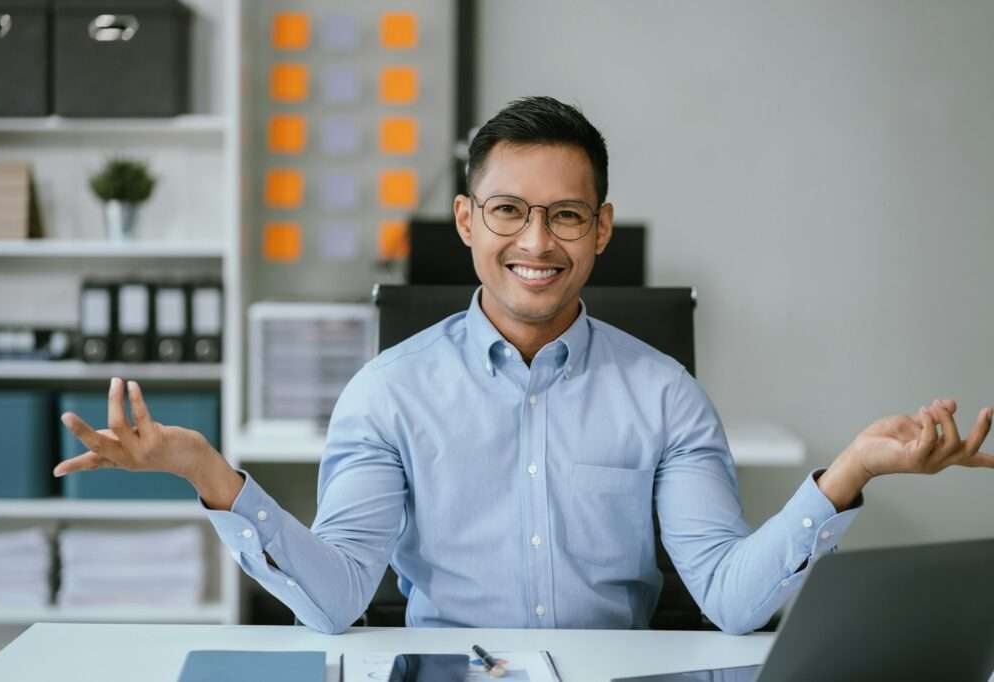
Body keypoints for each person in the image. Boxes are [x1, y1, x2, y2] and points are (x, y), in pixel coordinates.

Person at [55, 96, 994, 635]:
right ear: (469, 222)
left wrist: (850, 474)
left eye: (565, 215)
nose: (535, 241)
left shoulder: (664, 394)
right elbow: (338, 600)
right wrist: (208, 475)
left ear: (601, 232)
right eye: (508, 211)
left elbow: (733, 600)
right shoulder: (389, 391)